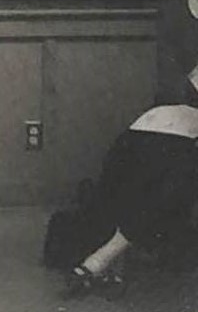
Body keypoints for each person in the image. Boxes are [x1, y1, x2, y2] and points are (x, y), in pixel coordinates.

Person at [62, 103, 198, 298]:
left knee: (138, 200)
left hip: (139, 135)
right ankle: (102, 259)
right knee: (159, 200)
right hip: (167, 141)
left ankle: (101, 259)